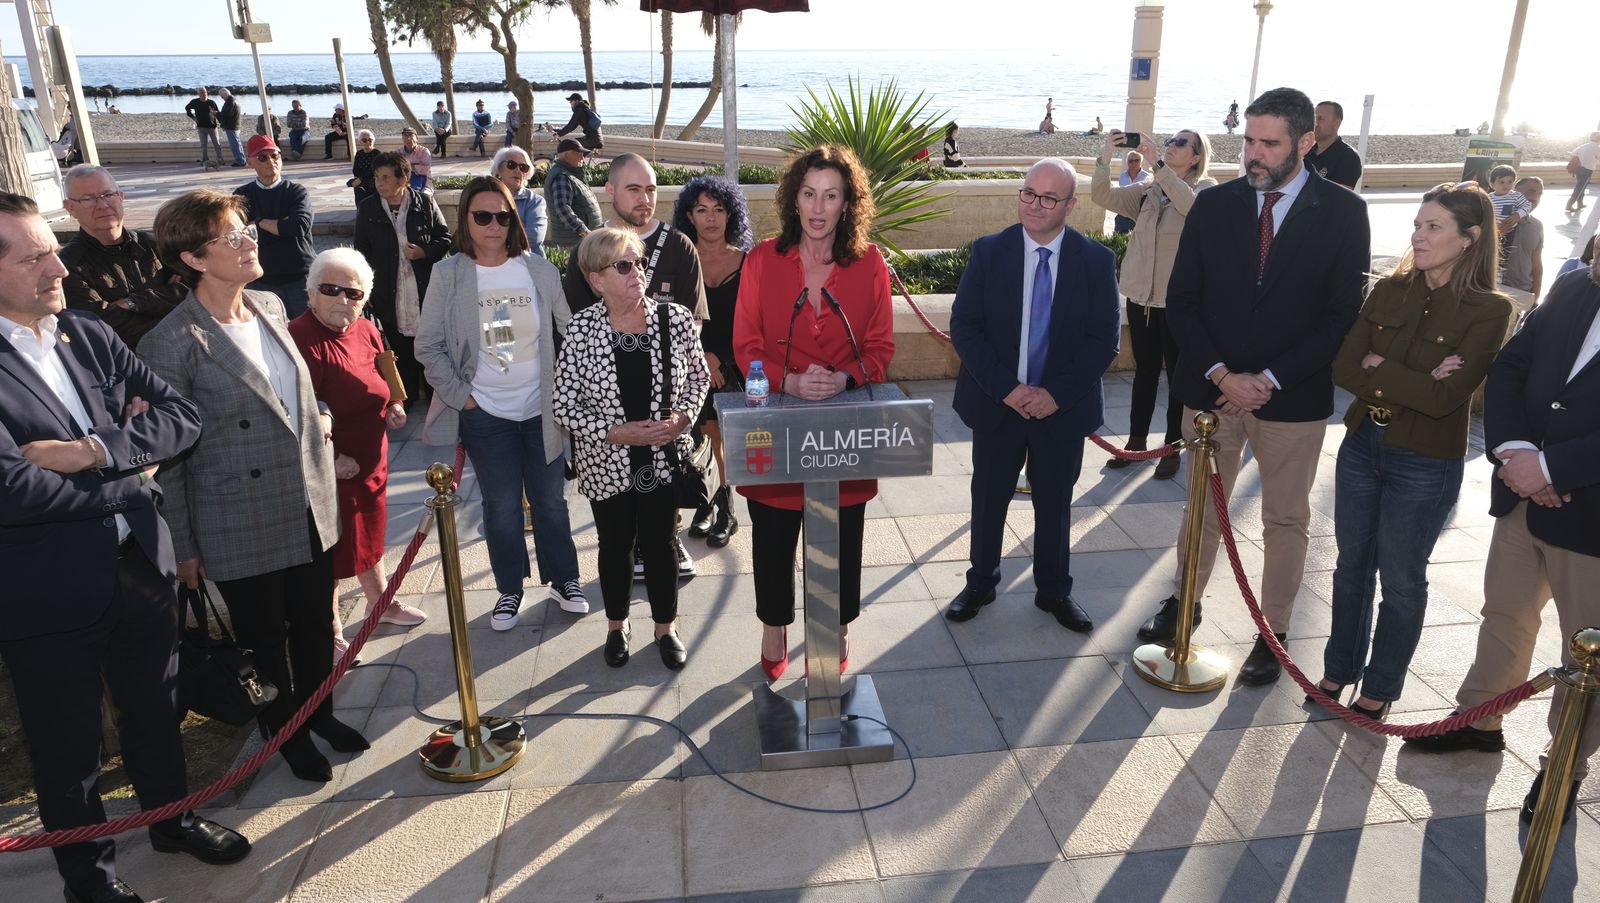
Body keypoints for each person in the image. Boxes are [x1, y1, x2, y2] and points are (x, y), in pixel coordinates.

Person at [0, 192, 251, 903]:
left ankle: (173, 821)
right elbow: (13, 489)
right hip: (46, 597)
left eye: (54, 250)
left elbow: (182, 416)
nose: (59, 268)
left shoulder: (88, 333)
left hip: (142, 568)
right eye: (35, 258)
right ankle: (92, 881)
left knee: (156, 712)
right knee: (68, 750)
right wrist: (133, 474)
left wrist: (93, 451)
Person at [1135, 87, 1371, 684]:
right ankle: (1184, 602)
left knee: (1285, 520)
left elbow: (1341, 315)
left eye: (1269, 143)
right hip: (1210, 393)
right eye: (1248, 141)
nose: (1254, 154)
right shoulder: (1214, 206)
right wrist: (1221, 374)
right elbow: (1183, 301)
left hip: (1291, 399)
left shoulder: (1344, 212)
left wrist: (1266, 379)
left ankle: (1275, 634)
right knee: (1201, 508)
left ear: (1306, 142)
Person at [141, 188, 368, 786]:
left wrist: (320, 416)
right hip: (237, 514)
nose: (248, 241)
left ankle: (320, 713)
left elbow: (292, 392)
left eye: (246, 228)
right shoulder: (170, 342)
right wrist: (183, 545)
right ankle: (285, 734)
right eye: (231, 235)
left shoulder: (268, 304)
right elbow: (170, 459)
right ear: (193, 258)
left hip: (307, 499)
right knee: (265, 639)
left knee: (316, 623)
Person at [1401, 237, 1600, 827]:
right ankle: (1479, 722)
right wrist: (1516, 452)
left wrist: (1553, 468)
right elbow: (1511, 366)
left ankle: (1564, 765)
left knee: (1587, 653)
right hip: (1523, 496)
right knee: (1505, 615)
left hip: (1590, 516)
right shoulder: (1575, 283)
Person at [1316, 182, 1512, 721]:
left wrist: (1381, 368)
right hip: (1362, 444)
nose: (1418, 237)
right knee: (1350, 568)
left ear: (1469, 238)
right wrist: (1416, 379)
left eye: (1433, 227)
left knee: (1401, 579)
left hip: (1424, 459)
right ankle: (1338, 670)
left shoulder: (1489, 310)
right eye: (1417, 225)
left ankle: (1380, 687)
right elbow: (1345, 367)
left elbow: (1446, 397)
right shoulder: (1388, 289)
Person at [733, 145, 895, 679]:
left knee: (842, 538)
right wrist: (790, 381)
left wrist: (845, 377)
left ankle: (837, 627)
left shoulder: (870, 263)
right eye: (809, 194)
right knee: (773, 535)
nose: (818, 207)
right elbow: (746, 345)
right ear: (793, 199)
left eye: (831, 195)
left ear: (848, 203)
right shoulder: (762, 260)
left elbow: (880, 348)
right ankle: (774, 625)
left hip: (843, 432)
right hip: (777, 426)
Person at [945, 158, 1120, 633]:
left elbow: (1103, 340)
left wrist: (1054, 396)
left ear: (1070, 205)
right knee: (988, 498)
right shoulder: (989, 252)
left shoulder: (1096, 261)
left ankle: (1054, 592)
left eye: (1047, 198)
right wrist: (1009, 389)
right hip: (997, 403)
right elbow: (965, 327)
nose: (1034, 205)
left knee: (1055, 502)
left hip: (1060, 409)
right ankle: (980, 582)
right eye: (1028, 193)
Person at [414, 177, 588, 629]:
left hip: (541, 410)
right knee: (502, 506)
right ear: (465, 220)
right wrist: (463, 398)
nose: (494, 225)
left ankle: (564, 579)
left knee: (551, 502)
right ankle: (510, 588)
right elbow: (427, 346)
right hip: (485, 413)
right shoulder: (448, 274)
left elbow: (570, 332)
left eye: (503, 216)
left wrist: (570, 390)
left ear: (514, 220)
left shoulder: (538, 270)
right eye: (482, 216)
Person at [553, 227, 708, 669]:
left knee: (662, 544)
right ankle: (616, 626)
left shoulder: (675, 319)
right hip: (607, 463)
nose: (637, 272)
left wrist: (682, 419)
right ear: (596, 279)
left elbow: (699, 378)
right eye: (623, 266)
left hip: (663, 459)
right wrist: (615, 432)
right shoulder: (581, 329)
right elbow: (563, 405)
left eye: (639, 262)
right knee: (615, 546)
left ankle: (666, 628)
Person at [562, 152, 710, 577]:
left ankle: (666, 541)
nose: (644, 198)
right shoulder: (589, 253)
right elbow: (579, 328)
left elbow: (693, 325)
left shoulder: (679, 245)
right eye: (633, 189)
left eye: (650, 189)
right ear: (610, 190)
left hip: (665, 406)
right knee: (616, 538)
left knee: (662, 512)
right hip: (610, 416)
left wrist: (678, 406)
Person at [288, 248, 428, 661]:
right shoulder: (298, 337)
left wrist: (394, 405)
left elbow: (385, 372)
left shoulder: (366, 328)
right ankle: (330, 630)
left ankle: (380, 603)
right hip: (330, 465)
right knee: (331, 552)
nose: (342, 299)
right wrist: (330, 461)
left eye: (353, 292)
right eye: (330, 289)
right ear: (310, 291)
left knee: (370, 535)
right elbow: (292, 411)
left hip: (372, 458)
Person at [1092, 128, 1218, 480]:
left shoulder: (1206, 190)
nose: (1171, 146)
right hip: (1142, 298)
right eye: (1170, 141)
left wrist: (1158, 166)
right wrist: (1106, 155)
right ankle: (1136, 443)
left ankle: (1172, 447)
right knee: (1145, 372)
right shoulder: (1150, 188)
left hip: (1178, 302)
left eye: (1180, 143)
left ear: (1196, 156)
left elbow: (1191, 208)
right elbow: (1102, 195)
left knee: (1178, 377)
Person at [672, 175, 752, 548]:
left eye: (719, 209)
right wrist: (701, 360)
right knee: (700, 438)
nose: (711, 218)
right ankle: (706, 503)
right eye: (702, 210)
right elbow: (672, 316)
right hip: (692, 364)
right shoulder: (680, 261)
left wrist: (719, 359)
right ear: (689, 215)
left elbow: (753, 320)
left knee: (723, 438)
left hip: (735, 363)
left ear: (730, 214)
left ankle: (727, 511)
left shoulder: (748, 261)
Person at [352, 150, 451, 405]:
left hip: (424, 290)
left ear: (403, 180)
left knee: (428, 346)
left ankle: (434, 396)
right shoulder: (368, 208)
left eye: (385, 177)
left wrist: (423, 252)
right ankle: (406, 396)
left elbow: (444, 238)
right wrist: (365, 290)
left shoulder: (424, 203)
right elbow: (361, 253)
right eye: (377, 177)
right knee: (398, 347)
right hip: (387, 292)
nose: (379, 183)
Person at [59, 166, 185, 350]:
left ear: (121, 197)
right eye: (88, 199)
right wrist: (167, 299)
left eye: (108, 194)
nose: (102, 205)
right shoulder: (67, 265)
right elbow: (99, 325)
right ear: (70, 207)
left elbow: (195, 291)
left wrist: (134, 302)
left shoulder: (155, 245)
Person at [234, 134, 316, 318]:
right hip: (260, 280)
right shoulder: (241, 196)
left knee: (306, 329)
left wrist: (258, 222)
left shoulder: (296, 192)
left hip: (298, 277)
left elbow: (299, 226)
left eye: (275, 155)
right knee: (266, 330)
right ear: (250, 162)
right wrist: (281, 225)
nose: (271, 161)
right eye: (263, 157)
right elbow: (239, 233)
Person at [544, 137, 603, 252]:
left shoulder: (569, 174)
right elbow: (563, 209)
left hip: (580, 242)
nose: (582, 157)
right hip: (573, 244)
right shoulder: (562, 177)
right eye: (578, 154)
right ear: (566, 155)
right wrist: (584, 232)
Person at [491, 145, 549, 257]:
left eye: (523, 167)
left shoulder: (535, 202)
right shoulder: (486, 198)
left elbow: (533, 237)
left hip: (528, 262)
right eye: (511, 165)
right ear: (499, 169)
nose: (518, 170)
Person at [1499, 176, 1545, 313]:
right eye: (1531, 191)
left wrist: (1535, 299)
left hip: (1520, 295)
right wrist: (1495, 233)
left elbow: (1536, 265)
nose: (1535, 198)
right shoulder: (1492, 217)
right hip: (1489, 290)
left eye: (1539, 194)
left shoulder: (1537, 226)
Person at [1303, 100, 1363, 189]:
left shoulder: (1348, 157)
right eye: (1314, 119)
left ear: (1336, 123)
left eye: (1320, 119)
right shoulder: (1307, 152)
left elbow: (1340, 195)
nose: (1315, 124)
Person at [1111, 149, 1152, 235]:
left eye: (1136, 160)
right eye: (1131, 161)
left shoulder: (1147, 177)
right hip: (1123, 215)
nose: (1133, 163)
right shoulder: (1122, 176)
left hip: (1138, 216)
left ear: (1141, 162)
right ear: (1127, 162)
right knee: (1118, 238)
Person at [1487, 164, 1531, 236]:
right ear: (1492, 184)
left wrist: (1518, 215)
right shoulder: (1489, 197)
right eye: (1501, 182)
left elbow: (1527, 205)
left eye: (1510, 182)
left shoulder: (1516, 196)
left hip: (1511, 230)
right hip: (1494, 231)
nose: (1506, 185)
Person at [184, 86, 222, 170]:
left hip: (212, 127)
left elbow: (218, 114)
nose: (204, 94)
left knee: (217, 144)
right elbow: (187, 108)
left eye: (205, 92)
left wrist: (221, 123)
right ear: (198, 94)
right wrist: (193, 117)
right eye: (202, 93)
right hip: (201, 127)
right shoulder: (195, 102)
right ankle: (205, 160)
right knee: (203, 146)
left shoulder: (211, 102)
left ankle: (220, 159)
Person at [1567, 130, 1600, 214]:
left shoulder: (1584, 146)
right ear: (1598, 139)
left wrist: (1583, 158)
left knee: (1581, 187)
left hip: (1579, 169)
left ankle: (1580, 204)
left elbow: (1573, 153)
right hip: (1587, 170)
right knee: (1580, 188)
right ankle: (1569, 205)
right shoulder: (1596, 147)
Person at [347, 129, 382, 207]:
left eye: (370, 140)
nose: (368, 142)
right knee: (358, 189)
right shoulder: (359, 154)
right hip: (361, 180)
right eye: (364, 140)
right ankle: (360, 210)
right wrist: (358, 179)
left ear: (373, 141)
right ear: (360, 142)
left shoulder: (377, 154)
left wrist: (361, 179)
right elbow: (355, 170)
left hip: (373, 180)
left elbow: (374, 170)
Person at [398, 126, 434, 193]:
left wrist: (407, 166)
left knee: (425, 195)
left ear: (417, 138)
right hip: (404, 184)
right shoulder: (399, 153)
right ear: (402, 139)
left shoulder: (424, 151)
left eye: (411, 136)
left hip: (424, 183)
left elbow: (424, 170)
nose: (408, 139)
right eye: (405, 136)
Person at [216, 89, 245, 167]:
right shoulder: (233, 100)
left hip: (231, 126)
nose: (221, 98)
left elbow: (227, 115)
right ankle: (241, 160)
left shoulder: (230, 102)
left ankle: (240, 161)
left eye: (222, 96)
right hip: (234, 125)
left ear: (225, 94)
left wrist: (217, 114)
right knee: (237, 143)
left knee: (235, 144)